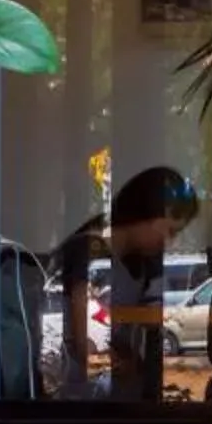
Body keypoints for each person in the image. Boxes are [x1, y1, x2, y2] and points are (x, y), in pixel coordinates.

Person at [69, 166, 200, 400]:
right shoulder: (85, 254)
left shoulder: (140, 268)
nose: (168, 243)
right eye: (168, 231)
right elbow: (82, 350)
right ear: (143, 216)